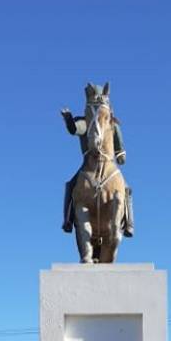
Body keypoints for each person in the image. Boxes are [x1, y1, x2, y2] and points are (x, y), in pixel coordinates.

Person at [60, 82, 134, 236]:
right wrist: (68, 119)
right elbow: (74, 129)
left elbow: (120, 147)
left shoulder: (113, 124)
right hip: (88, 164)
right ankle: (67, 219)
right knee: (71, 184)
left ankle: (129, 222)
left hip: (109, 163)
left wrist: (121, 155)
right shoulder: (86, 122)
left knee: (126, 188)